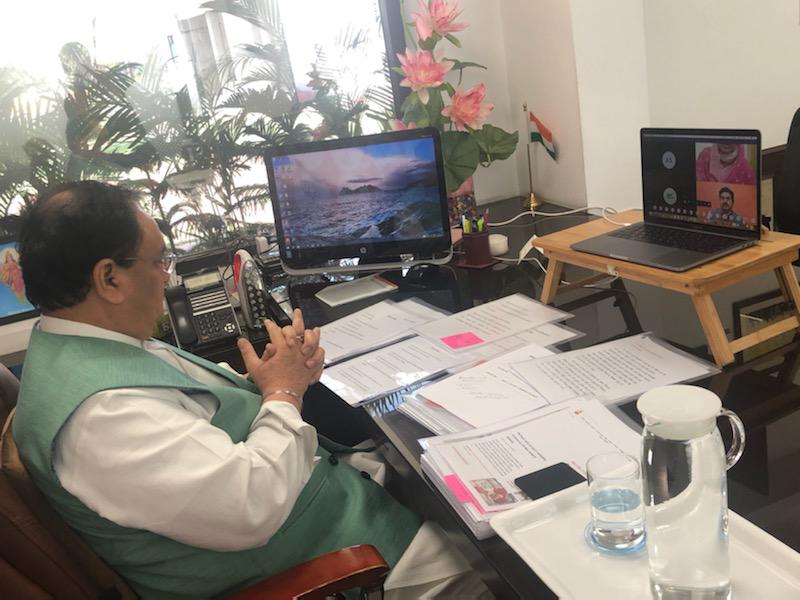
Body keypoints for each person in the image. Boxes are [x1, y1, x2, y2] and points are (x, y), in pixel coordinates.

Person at [13, 181, 488, 599]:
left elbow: (187, 413)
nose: (168, 276)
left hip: (337, 500)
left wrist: (269, 381)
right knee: (507, 563)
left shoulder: (86, 346)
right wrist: (283, 393)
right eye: (159, 261)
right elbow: (249, 506)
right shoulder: (102, 418)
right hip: (339, 564)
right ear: (109, 279)